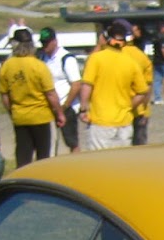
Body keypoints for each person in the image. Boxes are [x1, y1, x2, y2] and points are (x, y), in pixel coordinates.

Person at [76, 19, 149, 151]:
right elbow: (142, 92)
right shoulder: (131, 63)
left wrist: (83, 109)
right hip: (124, 122)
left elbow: (87, 85)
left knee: (99, 164)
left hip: (101, 121)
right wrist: (128, 106)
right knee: (122, 164)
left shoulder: (96, 58)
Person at [0, 28, 63, 166]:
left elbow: (5, 96)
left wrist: (12, 111)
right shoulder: (39, 66)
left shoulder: (7, 66)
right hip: (41, 117)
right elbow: (50, 94)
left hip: (20, 117)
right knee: (45, 158)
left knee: (23, 156)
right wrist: (60, 113)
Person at [38, 26, 83, 154]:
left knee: (71, 141)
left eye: (47, 42)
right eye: (42, 42)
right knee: (49, 142)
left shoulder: (66, 58)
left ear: (54, 41)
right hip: (49, 106)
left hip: (66, 106)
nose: (44, 45)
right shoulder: (42, 58)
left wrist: (65, 106)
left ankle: (77, 166)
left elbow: (76, 84)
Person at [122, 20, 154, 145]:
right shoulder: (142, 57)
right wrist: (144, 108)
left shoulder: (110, 55)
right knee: (139, 148)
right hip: (139, 109)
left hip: (117, 110)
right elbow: (147, 87)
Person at [151, 24, 164, 104]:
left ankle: (157, 98)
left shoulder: (155, 37)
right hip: (163, 62)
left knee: (157, 80)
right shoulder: (163, 38)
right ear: (162, 28)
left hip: (156, 61)